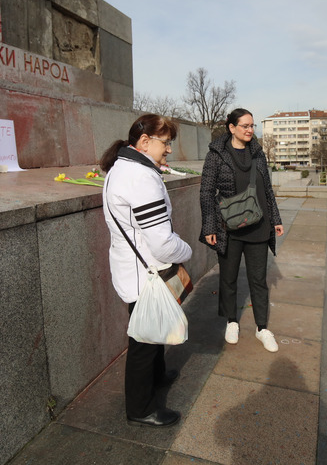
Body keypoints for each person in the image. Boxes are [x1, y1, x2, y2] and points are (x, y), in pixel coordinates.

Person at [101, 114, 193, 428]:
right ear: (144, 141)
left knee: (151, 328)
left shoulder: (122, 167)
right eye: (165, 142)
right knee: (143, 340)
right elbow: (162, 243)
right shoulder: (140, 177)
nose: (169, 149)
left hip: (133, 268)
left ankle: (157, 377)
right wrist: (187, 251)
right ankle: (140, 408)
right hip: (145, 273)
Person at [200, 108, 284, 352]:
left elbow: (267, 189)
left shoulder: (257, 153)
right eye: (245, 126)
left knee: (258, 280)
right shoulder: (216, 154)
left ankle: (262, 328)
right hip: (229, 228)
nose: (250, 130)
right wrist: (209, 225)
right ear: (232, 127)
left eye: (252, 125)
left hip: (259, 226)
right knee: (229, 278)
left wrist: (276, 218)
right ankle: (231, 321)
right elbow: (206, 192)